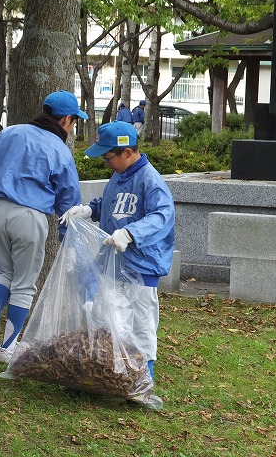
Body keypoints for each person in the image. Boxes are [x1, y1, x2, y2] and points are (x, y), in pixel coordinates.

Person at [0, 89, 86, 364]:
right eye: (74, 121)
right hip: (29, 217)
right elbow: (69, 199)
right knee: (24, 285)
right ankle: (7, 348)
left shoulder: (9, 133)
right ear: (66, 119)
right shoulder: (60, 149)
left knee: (5, 273)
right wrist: (68, 238)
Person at [60, 120, 175, 381]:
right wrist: (90, 210)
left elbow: (162, 215)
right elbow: (113, 206)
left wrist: (131, 233)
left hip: (142, 266)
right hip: (115, 264)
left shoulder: (150, 181)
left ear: (127, 152)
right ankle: (114, 374)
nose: (105, 162)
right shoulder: (119, 176)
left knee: (141, 323)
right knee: (109, 318)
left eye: (108, 157)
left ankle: (144, 378)